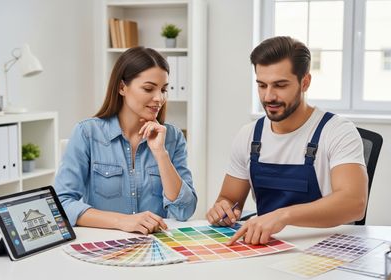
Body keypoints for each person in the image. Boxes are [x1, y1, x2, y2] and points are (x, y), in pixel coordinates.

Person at [206, 36, 368, 245]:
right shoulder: (248, 135)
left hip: (326, 249)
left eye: (280, 85)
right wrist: (223, 208)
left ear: (305, 82)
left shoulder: (337, 131)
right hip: (266, 247)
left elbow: (354, 203)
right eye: (262, 85)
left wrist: (283, 216)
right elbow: (228, 198)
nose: (268, 96)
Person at [55, 47, 197, 235]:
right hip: (103, 246)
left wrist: (161, 154)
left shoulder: (172, 137)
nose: (159, 98)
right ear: (122, 87)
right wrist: (122, 221)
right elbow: (61, 205)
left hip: (155, 246)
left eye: (163, 89)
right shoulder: (87, 133)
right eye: (148, 88)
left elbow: (184, 211)